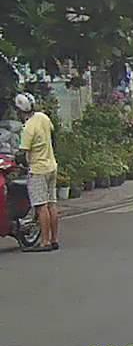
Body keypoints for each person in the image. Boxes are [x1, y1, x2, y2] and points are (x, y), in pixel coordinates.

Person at [14, 93, 59, 252]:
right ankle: (54, 239)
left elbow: (22, 153)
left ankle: (45, 242)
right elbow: (53, 136)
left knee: (41, 206)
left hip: (38, 170)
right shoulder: (43, 117)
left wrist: (17, 162)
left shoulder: (28, 128)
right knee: (51, 204)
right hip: (51, 166)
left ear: (20, 111)